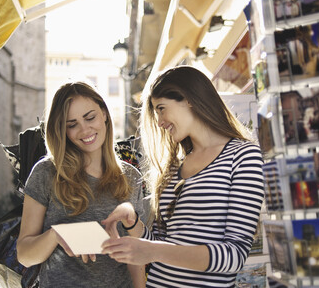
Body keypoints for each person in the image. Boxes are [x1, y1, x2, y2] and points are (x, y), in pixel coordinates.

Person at [101, 66, 265, 287]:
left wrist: (152, 250)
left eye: (161, 109)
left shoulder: (244, 155)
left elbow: (233, 256)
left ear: (189, 99)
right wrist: (132, 222)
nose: (159, 122)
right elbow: (161, 244)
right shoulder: (173, 167)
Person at [16, 81, 145, 287]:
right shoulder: (47, 173)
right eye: (72, 124)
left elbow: (136, 255)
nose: (85, 130)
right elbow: (24, 255)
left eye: (90, 117)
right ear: (62, 130)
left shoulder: (131, 177)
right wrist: (57, 234)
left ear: (104, 113)